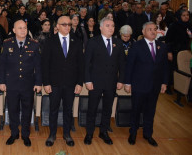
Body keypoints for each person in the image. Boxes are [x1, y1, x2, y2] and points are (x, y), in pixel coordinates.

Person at [0, 20, 42, 147]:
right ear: (14, 30)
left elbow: (38, 67)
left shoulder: (34, 45)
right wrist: (2, 82)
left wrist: (38, 83)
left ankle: (25, 135)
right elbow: (2, 65)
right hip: (11, 83)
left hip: (28, 84)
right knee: (12, 110)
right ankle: (14, 133)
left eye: (25, 28)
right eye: (20, 28)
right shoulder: (7, 44)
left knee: (27, 110)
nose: (23, 30)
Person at [124, 22, 168, 147]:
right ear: (143, 32)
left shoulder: (161, 46)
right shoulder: (136, 46)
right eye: (150, 29)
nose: (153, 31)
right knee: (136, 110)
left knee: (151, 111)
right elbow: (130, 66)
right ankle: (133, 133)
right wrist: (127, 83)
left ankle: (148, 134)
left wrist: (164, 82)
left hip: (155, 85)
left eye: (155, 29)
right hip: (139, 84)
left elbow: (165, 66)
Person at [43, 16, 84, 147]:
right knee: (53, 109)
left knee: (68, 110)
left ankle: (67, 134)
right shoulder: (50, 41)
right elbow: (45, 64)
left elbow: (80, 65)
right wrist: (46, 83)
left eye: (69, 24)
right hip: (54, 83)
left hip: (71, 84)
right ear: (58, 26)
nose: (67, 27)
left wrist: (79, 83)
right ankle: (52, 134)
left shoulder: (77, 41)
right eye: (64, 24)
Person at [84, 17, 126, 145]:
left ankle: (103, 132)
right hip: (95, 82)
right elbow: (86, 63)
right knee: (92, 108)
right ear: (101, 27)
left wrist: (121, 80)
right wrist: (87, 80)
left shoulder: (118, 43)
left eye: (113, 26)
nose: (111, 28)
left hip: (111, 81)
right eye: (108, 26)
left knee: (108, 108)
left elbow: (122, 64)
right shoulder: (93, 42)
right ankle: (89, 133)